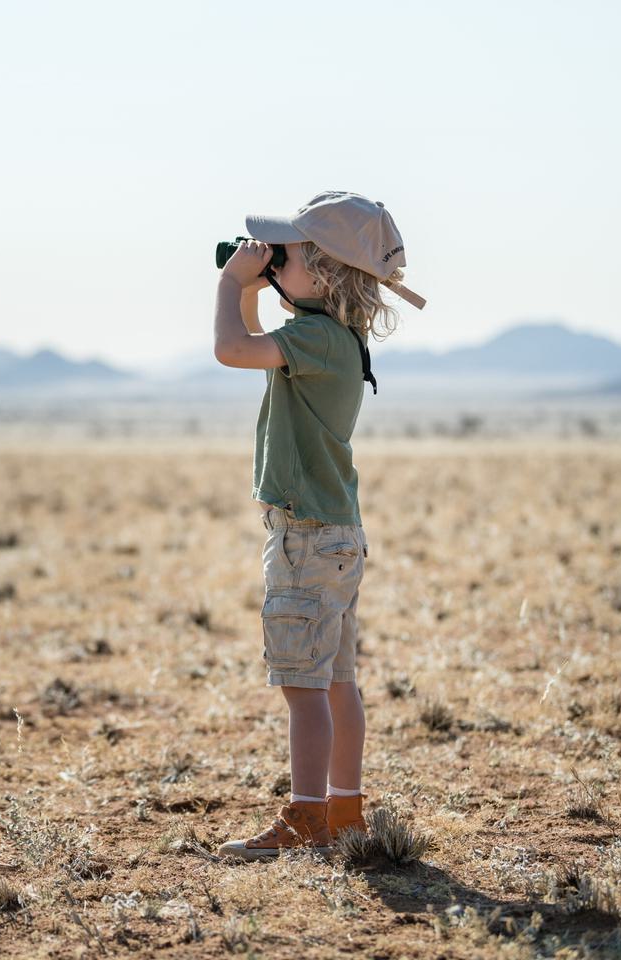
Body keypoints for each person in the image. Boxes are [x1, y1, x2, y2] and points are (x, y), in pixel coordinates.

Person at [209, 191, 426, 860]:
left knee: (305, 691)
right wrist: (260, 279)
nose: (271, 261)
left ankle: (307, 818)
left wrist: (229, 282)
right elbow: (249, 344)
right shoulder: (336, 337)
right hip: (336, 536)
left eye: (288, 254)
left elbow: (230, 349)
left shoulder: (312, 339)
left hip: (306, 538)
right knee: (337, 681)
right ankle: (344, 811)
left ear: (325, 273)